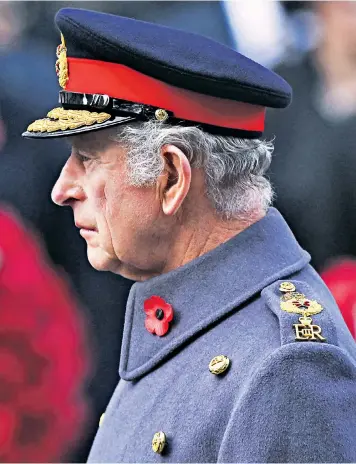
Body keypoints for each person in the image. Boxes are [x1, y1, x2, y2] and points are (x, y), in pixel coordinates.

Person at [22, 8, 356, 463]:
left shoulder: (286, 367)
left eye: (88, 158)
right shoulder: (195, 316)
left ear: (172, 178)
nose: (63, 189)